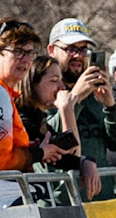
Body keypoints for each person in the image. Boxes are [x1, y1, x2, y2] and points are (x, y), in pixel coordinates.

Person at [45, 18, 116, 169]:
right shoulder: (43, 90)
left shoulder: (95, 93)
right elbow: (51, 140)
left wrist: (110, 106)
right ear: (51, 50)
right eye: (70, 49)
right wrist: (75, 98)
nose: (77, 55)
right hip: (65, 182)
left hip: (101, 182)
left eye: (83, 49)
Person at [0, 20, 66, 207]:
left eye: (29, 53)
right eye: (17, 51)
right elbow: (2, 160)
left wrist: (28, 148)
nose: (25, 59)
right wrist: (38, 153)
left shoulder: (6, 94)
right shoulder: (1, 95)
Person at [17, 54, 101, 201]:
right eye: (54, 80)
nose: (62, 87)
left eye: (61, 80)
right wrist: (67, 109)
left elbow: (69, 156)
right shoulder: (22, 121)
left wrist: (85, 160)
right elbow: (68, 155)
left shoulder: (38, 117)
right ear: (31, 83)